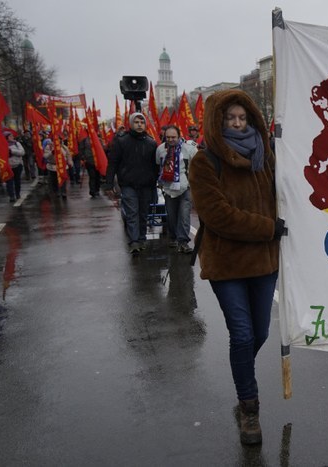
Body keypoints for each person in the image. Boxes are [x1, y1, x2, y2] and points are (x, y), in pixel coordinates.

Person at [188, 89, 285, 445]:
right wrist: (268, 228)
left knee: (257, 335)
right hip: (227, 264)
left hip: (263, 263)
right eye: (230, 118)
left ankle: (241, 368)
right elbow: (218, 217)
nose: (238, 123)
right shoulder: (204, 161)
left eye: (243, 118)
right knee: (242, 335)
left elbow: (284, 195)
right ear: (217, 121)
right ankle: (249, 408)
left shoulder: (266, 155)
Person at [106, 112, 159, 255]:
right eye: (136, 122)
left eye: (142, 122)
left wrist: (155, 183)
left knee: (143, 213)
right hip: (128, 185)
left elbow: (155, 166)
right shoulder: (121, 141)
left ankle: (141, 238)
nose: (139, 125)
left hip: (146, 185)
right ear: (131, 124)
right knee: (132, 213)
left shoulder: (151, 142)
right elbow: (113, 163)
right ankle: (134, 241)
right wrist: (109, 184)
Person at [155, 125, 195, 253]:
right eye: (168, 137)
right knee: (172, 216)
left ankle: (183, 242)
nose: (171, 139)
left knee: (184, 215)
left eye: (174, 137)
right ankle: (174, 237)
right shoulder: (160, 149)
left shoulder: (189, 150)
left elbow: (197, 167)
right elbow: (158, 165)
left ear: (179, 136)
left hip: (185, 187)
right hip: (168, 189)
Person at [43, 132, 73, 199]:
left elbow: (68, 155)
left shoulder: (64, 147)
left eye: (59, 139)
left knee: (63, 179)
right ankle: (56, 192)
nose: (58, 140)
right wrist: (52, 153)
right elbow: (45, 156)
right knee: (54, 181)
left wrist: (70, 162)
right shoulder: (49, 147)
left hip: (63, 166)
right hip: (52, 167)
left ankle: (63, 192)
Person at [78, 131, 101, 198]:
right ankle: (92, 191)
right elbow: (81, 150)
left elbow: (102, 150)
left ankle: (97, 189)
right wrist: (83, 158)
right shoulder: (84, 140)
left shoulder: (98, 139)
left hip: (98, 161)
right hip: (89, 161)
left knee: (97, 176)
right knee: (92, 176)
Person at [5, 132, 25, 203]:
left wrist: (12, 151)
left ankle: (17, 193)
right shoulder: (2, 144)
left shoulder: (17, 143)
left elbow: (22, 152)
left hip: (17, 165)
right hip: (7, 166)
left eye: (12, 136)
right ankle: (11, 196)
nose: (12, 137)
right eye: (10, 136)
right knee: (9, 182)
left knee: (17, 181)